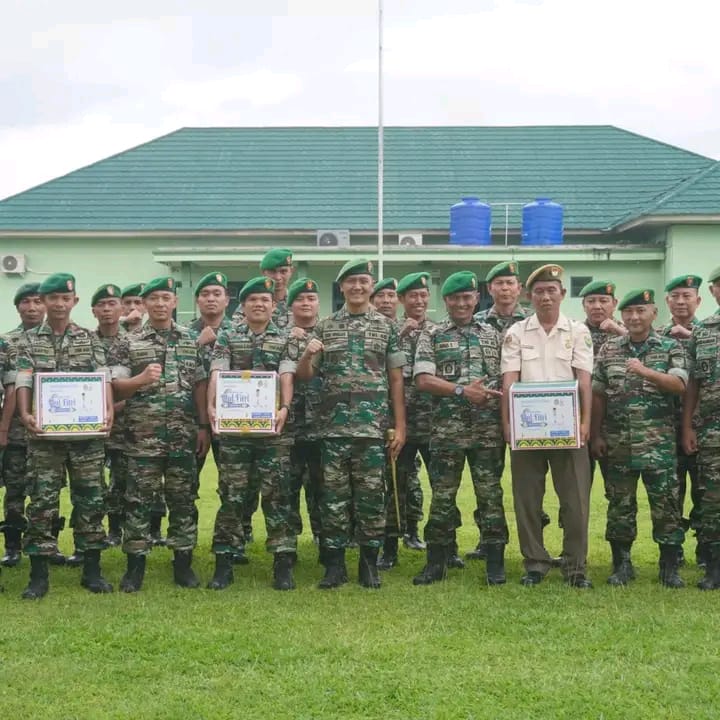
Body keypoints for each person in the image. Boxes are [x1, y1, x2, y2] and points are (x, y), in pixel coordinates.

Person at [295, 259, 406, 590]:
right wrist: (305, 354)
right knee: (333, 499)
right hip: (332, 430)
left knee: (372, 499)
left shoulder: (387, 328)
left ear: (371, 286)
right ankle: (335, 566)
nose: (357, 287)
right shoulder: (325, 327)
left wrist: (400, 427)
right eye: (351, 282)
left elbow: (396, 379)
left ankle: (369, 566)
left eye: (363, 281)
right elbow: (305, 376)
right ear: (341, 286)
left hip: (372, 430)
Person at [15, 273, 114, 599]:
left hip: (86, 439)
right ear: (43, 302)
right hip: (44, 440)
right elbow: (24, 381)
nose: (58, 304)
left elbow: (103, 379)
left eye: (64, 298)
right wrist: (26, 414)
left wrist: (108, 410)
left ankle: (92, 571)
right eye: (52, 298)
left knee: (90, 500)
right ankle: (39, 576)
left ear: (74, 301)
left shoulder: (89, 338)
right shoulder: (28, 341)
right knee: (42, 503)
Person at [109, 276, 210, 592]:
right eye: (153, 299)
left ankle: (183, 565)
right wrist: (139, 379)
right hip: (142, 437)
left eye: (166, 298)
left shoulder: (190, 340)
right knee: (137, 502)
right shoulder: (128, 342)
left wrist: (204, 426)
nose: (160, 304)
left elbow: (199, 386)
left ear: (175, 303)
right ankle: (134, 568)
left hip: (182, 435)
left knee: (183, 500)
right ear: (144, 304)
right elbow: (114, 387)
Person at [412, 271, 508, 586]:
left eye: (467, 297)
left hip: (487, 432)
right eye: (455, 298)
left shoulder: (494, 334)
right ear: (447, 301)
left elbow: (508, 379)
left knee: (490, 496)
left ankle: (495, 562)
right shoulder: (433, 334)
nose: (462, 303)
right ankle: (436, 562)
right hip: (446, 432)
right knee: (442, 498)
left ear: (476, 298)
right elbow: (423, 379)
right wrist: (461, 391)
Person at [501, 264, 594, 588]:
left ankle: (575, 567)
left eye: (551, 290)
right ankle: (535, 563)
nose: (545, 296)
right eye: (539, 291)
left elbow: (584, 381)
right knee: (527, 499)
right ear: (530, 296)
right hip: (528, 431)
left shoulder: (578, 331)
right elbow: (509, 381)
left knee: (575, 501)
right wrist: (508, 424)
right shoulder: (516, 333)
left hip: (567, 428)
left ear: (562, 294)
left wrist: (585, 423)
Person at [207, 276, 297, 591]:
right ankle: (224, 562)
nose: (259, 304)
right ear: (242, 306)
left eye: (265, 300)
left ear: (273, 306)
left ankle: (283, 564)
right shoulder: (229, 337)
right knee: (232, 497)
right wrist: (212, 406)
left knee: (277, 497)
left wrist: (285, 407)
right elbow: (217, 371)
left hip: (274, 434)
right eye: (253, 300)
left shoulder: (285, 338)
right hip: (235, 434)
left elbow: (286, 373)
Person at [592, 288, 686, 588]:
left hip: (658, 445)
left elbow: (679, 384)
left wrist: (646, 371)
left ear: (653, 314)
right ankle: (622, 564)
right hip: (619, 445)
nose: (634, 317)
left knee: (666, 505)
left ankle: (669, 567)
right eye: (628, 312)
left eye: (640, 311)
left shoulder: (671, 346)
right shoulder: (609, 349)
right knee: (620, 506)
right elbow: (598, 395)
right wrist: (595, 434)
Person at [467, 260, 538, 561]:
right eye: (499, 283)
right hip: (488, 414)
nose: (506, 288)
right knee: (489, 480)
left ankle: (536, 541)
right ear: (490, 289)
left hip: (532, 413)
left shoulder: (535, 321)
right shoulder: (478, 322)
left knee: (532, 481)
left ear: (519, 289)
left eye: (511, 283)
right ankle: (489, 539)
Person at [1, 283, 63, 568]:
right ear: (17, 307)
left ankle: (51, 544)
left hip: (51, 431)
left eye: (38, 301)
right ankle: (12, 546)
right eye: (25, 302)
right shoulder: (7, 342)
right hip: (15, 432)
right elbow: (9, 387)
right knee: (14, 490)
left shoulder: (61, 338)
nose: (32, 307)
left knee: (49, 490)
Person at [378, 272, 433, 570]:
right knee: (394, 484)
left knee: (438, 485)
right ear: (402, 300)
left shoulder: (438, 330)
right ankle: (389, 547)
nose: (419, 301)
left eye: (424, 296)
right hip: (398, 420)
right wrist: (401, 334)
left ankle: (435, 542)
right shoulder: (389, 330)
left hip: (433, 422)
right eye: (413, 296)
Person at [659, 275, 704, 565]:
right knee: (670, 493)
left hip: (704, 428)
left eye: (686, 296)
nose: (680, 301)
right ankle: (674, 551)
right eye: (675, 296)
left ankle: (706, 551)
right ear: (667, 302)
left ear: (698, 300)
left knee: (706, 491)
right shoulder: (657, 336)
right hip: (664, 430)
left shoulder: (710, 332)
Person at [682, 266, 720, 589]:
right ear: (713, 292)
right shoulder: (703, 331)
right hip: (711, 432)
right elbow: (692, 383)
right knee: (711, 500)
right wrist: (687, 427)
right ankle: (714, 568)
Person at [577, 279, 626, 491]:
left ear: (614, 303)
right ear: (584, 305)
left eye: (603, 301)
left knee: (618, 491)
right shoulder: (574, 333)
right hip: (579, 421)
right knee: (576, 488)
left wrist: (618, 331)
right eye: (591, 301)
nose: (597, 306)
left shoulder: (627, 331)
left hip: (617, 423)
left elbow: (648, 351)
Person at [285, 278, 323, 545]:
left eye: (311, 299)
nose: (306, 303)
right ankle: (288, 543)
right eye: (300, 299)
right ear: (291, 306)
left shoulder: (330, 332)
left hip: (323, 425)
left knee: (323, 488)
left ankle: (324, 539)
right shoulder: (278, 335)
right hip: (289, 427)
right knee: (287, 488)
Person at [89, 284, 127, 554]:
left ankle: (117, 528)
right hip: (91, 423)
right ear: (93, 310)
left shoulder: (133, 342)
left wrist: (118, 405)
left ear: (122, 308)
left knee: (122, 478)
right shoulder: (85, 341)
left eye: (112, 303)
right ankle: (94, 532)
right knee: (93, 480)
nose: (106, 309)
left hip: (127, 424)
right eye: (101, 304)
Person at [231, 248, 295, 329]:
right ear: (263, 273)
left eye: (283, 271)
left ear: (291, 271)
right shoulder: (252, 304)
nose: (278, 277)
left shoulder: (297, 304)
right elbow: (233, 331)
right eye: (272, 272)